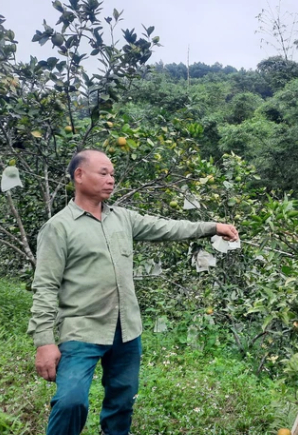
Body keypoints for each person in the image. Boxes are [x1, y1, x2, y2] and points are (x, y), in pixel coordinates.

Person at [27, 149, 238, 435]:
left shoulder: (122, 218)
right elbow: (45, 285)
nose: (111, 180)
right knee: (70, 401)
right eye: (103, 173)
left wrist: (213, 227)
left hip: (126, 330)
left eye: (112, 174)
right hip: (81, 330)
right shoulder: (58, 227)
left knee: (123, 401)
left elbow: (167, 227)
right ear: (79, 175)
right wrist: (44, 341)